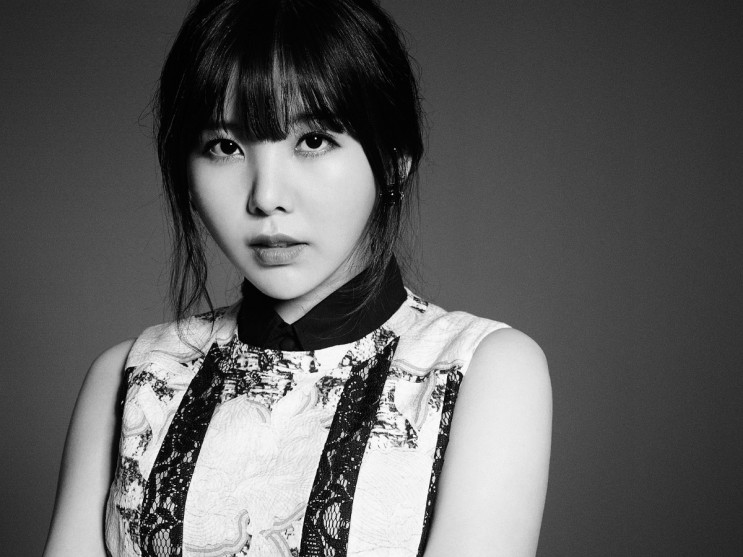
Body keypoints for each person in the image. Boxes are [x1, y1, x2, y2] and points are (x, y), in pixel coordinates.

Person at [43, 0, 552, 555]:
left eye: (312, 141)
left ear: (395, 159)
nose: (266, 197)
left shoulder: (481, 371)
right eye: (225, 147)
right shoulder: (130, 377)